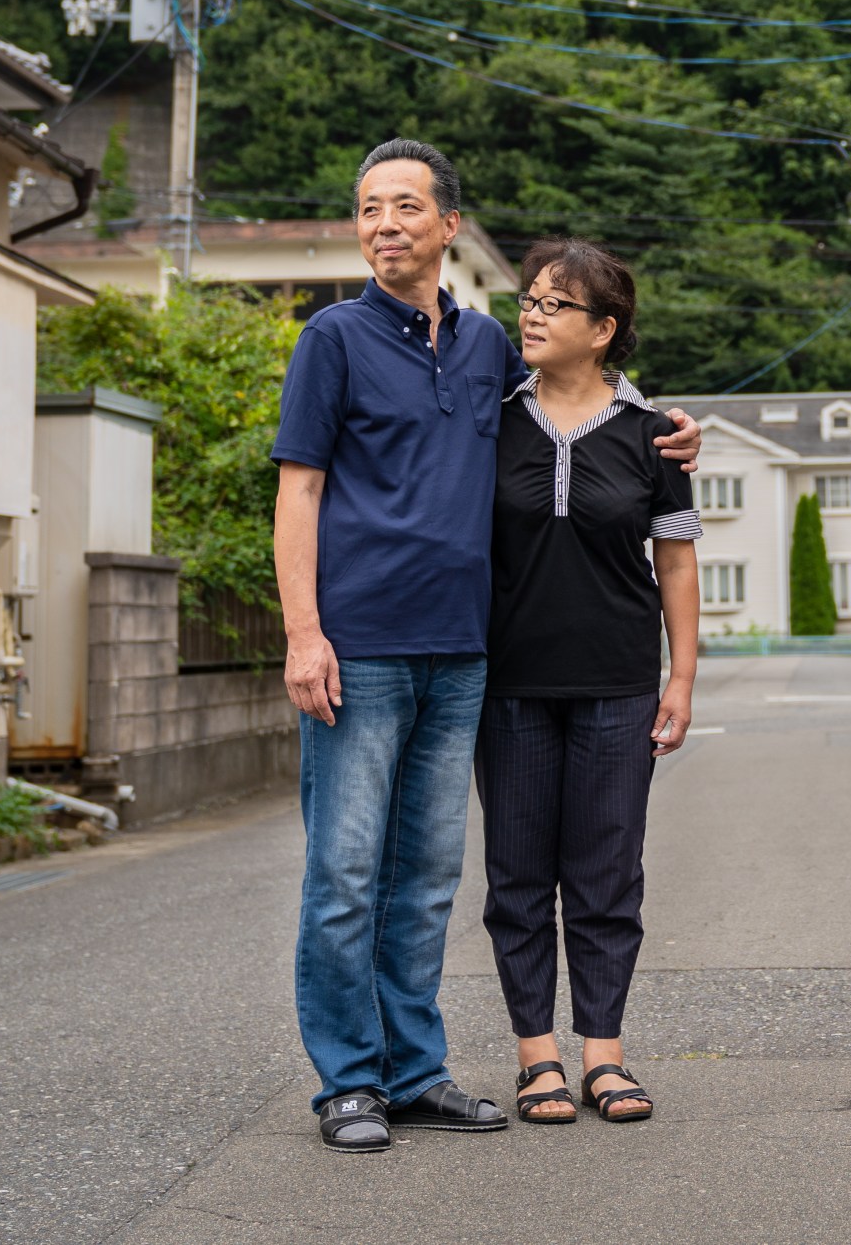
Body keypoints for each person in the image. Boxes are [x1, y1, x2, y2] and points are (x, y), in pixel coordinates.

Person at [271, 145, 700, 1154]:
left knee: (424, 870)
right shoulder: (330, 338)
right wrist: (302, 631)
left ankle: (414, 1069)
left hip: (465, 652)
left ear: (448, 226)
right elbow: (299, 489)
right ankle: (347, 1077)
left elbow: (584, 395)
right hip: (359, 645)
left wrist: (676, 429)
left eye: (406, 205)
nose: (385, 223)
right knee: (343, 869)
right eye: (369, 207)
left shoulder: (483, 351)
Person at [477, 238, 700, 1126]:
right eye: (527, 299)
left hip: (619, 682)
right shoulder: (491, 421)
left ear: (602, 330)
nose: (529, 313)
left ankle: (603, 1054)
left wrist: (680, 676)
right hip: (511, 684)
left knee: (607, 873)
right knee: (518, 874)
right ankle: (538, 1057)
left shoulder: (656, 436)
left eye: (553, 304)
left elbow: (677, 563)